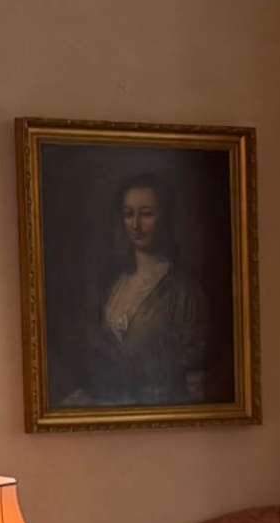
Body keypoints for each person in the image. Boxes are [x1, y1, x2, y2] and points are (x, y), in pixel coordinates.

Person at [69, 171, 217, 407]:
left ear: (164, 217)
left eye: (146, 214)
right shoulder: (115, 283)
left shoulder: (183, 289)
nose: (136, 225)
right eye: (129, 214)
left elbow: (195, 375)